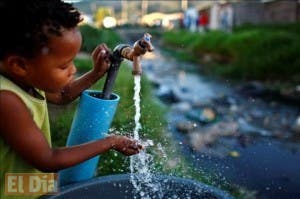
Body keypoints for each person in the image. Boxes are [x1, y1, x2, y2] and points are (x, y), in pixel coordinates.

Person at [0, 0, 142, 198]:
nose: (73, 69)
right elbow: (47, 159)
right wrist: (110, 142)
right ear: (19, 65)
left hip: (25, 185)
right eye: (64, 66)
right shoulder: (6, 100)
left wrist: (95, 73)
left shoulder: (25, 79)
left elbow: (62, 94)